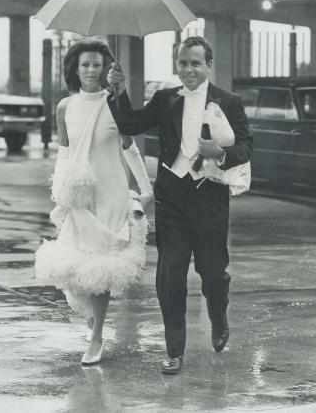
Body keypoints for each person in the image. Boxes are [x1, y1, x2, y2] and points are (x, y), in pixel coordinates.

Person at [107, 36, 253, 375]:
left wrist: (220, 153)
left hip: (210, 199)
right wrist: (119, 90)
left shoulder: (229, 101)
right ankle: (174, 350)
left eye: (195, 63)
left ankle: (219, 315)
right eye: (183, 63)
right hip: (172, 198)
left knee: (212, 275)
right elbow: (130, 124)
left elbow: (246, 146)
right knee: (170, 275)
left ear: (208, 64)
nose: (188, 69)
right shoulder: (164, 98)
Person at [35, 40, 153, 365]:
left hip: (111, 191)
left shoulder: (114, 102)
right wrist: (61, 193)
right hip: (79, 194)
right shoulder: (65, 107)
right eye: (85, 65)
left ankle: (97, 336)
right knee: (76, 266)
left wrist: (146, 188)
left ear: (106, 70)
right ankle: (91, 316)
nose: (91, 71)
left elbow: (130, 148)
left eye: (97, 65)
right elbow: (64, 152)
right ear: (75, 68)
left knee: (102, 266)